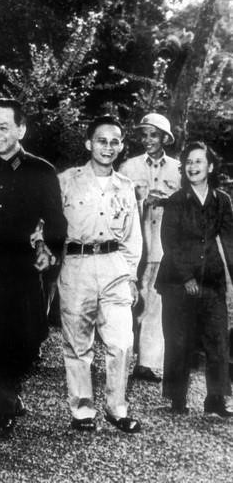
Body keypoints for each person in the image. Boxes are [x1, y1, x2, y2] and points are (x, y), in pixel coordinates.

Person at [0, 99, 66, 439]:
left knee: (26, 337)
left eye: (3, 127)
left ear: (21, 129)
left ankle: (10, 389)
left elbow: (55, 221)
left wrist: (48, 250)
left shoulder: (42, 171)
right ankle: (3, 405)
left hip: (22, 267)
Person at [57, 115, 142, 434]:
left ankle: (117, 408)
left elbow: (134, 237)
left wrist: (131, 276)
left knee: (121, 342)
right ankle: (82, 410)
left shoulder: (126, 186)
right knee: (78, 343)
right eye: (102, 140)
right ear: (88, 143)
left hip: (114, 265)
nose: (108, 147)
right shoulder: (67, 180)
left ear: (121, 147)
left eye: (114, 142)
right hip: (77, 264)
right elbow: (47, 224)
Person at [157, 141, 233, 417]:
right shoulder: (177, 200)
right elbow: (169, 242)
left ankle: (216, 399)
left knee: (217, 338)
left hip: (211, 279)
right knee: (179, 340)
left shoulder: (221, 200)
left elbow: (229, 241)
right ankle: (177, 399)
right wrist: (187, 277)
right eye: (189, 162)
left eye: (199, 162)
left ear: (210, 167)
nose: (193, 167)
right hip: (177, 280)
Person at [119, 113, 180, 382]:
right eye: (143, 135)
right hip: (134, 245)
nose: (147, 140)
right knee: (127, 301)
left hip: (163, 247)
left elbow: (187, 207)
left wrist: (168, 201)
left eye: (153, 135)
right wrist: (141, 199)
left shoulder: (178, 169)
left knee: (155, 303)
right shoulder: (128, 168)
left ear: (165, 138)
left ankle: (146, 362)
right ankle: (120, 356)